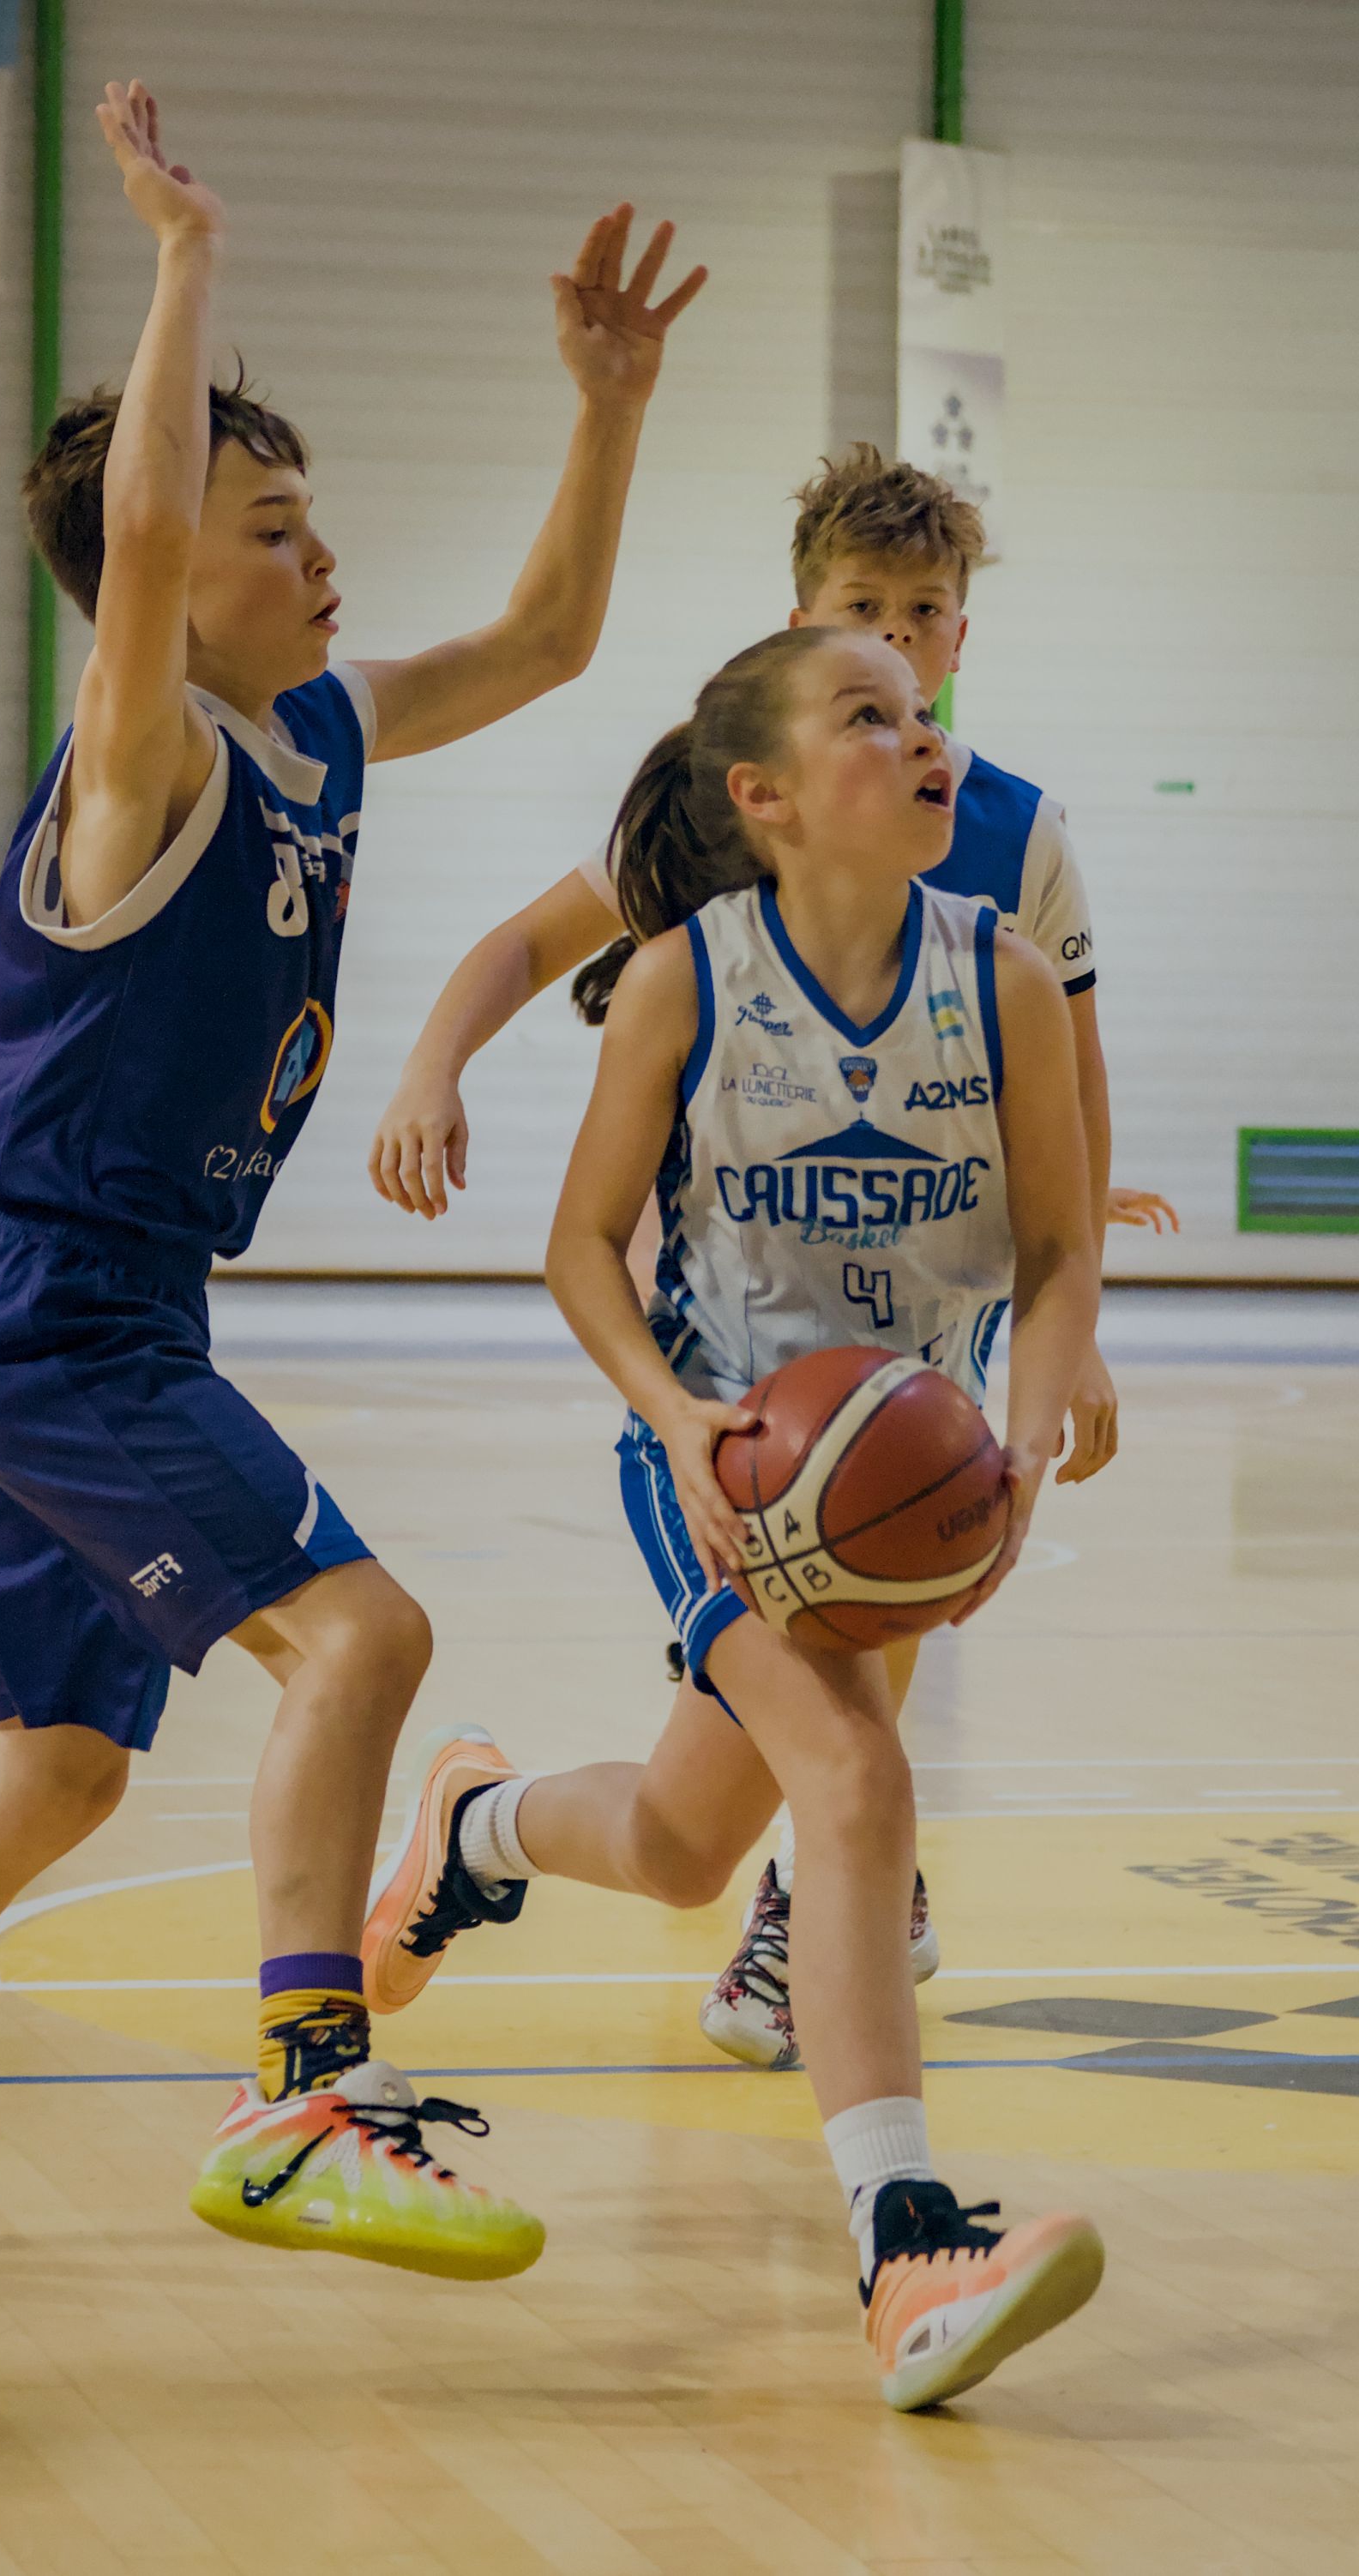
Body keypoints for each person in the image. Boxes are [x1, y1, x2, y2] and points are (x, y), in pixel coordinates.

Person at [0, 81, 706, 2277]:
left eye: (315, 520)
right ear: (167, 574)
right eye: (271, 523)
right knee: (367, 1634)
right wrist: (181, 254)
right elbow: (132, 542)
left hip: (99, 1309)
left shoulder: (321, 725)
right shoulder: (144, 753)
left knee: (58, 1771)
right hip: (65, 1308)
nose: (315, 553)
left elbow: (544, 645)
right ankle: (308, 2092)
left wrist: (606, 410)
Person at [365, 623, 1105, 2407]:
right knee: (855, 1776)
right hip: (725, 1451)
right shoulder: (686, 978)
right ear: (764, 797)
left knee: (691, 1845)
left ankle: (479, 1829)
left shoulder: (1000, 978)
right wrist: (673, 1416)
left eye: (923, 715)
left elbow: (1059, 1244)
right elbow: (577, 1243)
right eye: (870, 717)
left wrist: (1015, 1450)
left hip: (900, 1459)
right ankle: (904, 2247)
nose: (923, 740)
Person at [365, 443, 1178, 2066]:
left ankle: (496, 1830)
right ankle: (846, 1959)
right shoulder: (744, 800)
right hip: (732, 1372)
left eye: (925, 614)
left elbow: (1072, 1097)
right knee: (849, 1735)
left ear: (961, 637)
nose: (899, 635)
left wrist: (1071, 1324)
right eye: (862, 610)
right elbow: (527, 945)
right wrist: (429, 1069)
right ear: (801, 623)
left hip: (920, 1343)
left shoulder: (1014, 835)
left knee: (687, 1833)